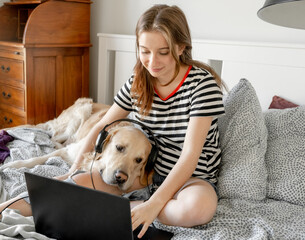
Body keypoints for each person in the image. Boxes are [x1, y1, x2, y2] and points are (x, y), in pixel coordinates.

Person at [0, 4, 225, 239]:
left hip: (191, 180)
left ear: (181, 48)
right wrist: (73, 170)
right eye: (144, 51)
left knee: (199, 208)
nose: (152, 61)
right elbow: (101, 126)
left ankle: (116, 208)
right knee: (62, 190)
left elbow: (190, 155)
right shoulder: (139, 81)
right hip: (141, 175)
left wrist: (153, 204)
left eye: (163, 51)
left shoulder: (202, 86)